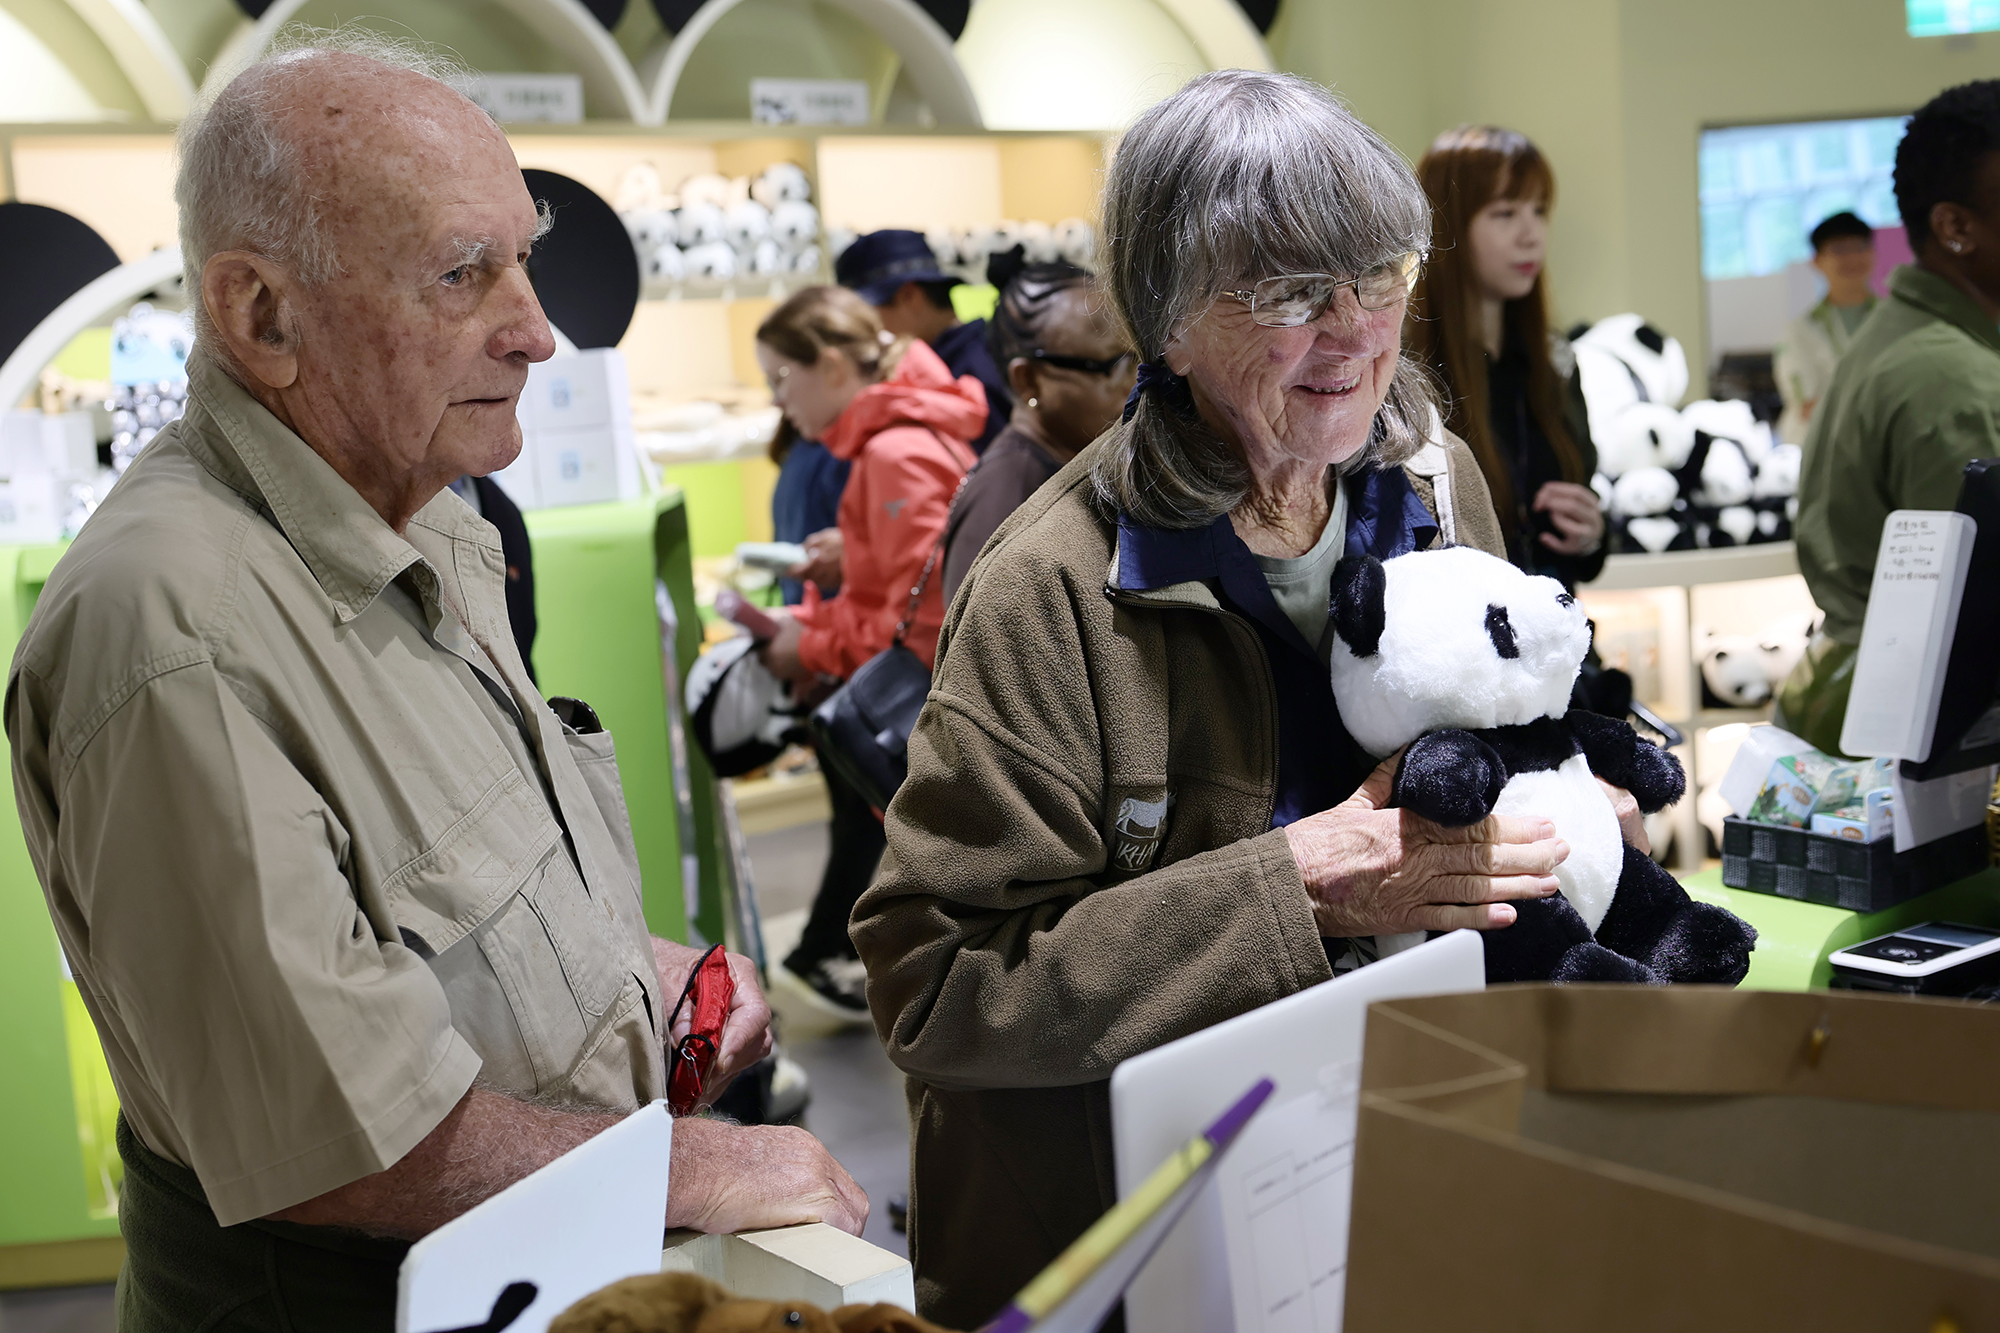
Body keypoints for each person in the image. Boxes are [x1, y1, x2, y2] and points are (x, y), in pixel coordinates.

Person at [5, 39, 864, 1331]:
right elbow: (337, 1141)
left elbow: (437, 906)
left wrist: (638, 977)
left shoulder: (417, 518)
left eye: (523, 257)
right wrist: (703, 1167)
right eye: (463, 274)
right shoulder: (174, 632)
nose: (537, 330)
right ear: (261, 315)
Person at [851, 71, 1655, 1329]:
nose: (1353, 331)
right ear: (1165, 317)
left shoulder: (1432, 484)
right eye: (1285, 290)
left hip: (1405, 1179)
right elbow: (938, 983)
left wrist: (1570, 804)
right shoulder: (1052, 585)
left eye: (1379, 274)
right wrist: (1294, 888)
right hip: (1147, 1254)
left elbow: (1503, 738)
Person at [751, 288, 983, 1014]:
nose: (778, 400)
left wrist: (812, 642)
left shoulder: (893, 451)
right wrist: (849, 559)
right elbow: (911, 576)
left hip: (921, 708)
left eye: (780, 378)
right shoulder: (899, 437)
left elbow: (924, 621)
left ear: (829, 365)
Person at [1783, 79, 2000, 755]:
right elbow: (1979, 613)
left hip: (1869, 694)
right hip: (1919, 720)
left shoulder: (1906, 334)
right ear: (1955, 227)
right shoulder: (1951, 376)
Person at [1407, 125, 1606, 588]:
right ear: (1448, 223)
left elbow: (1584, 508)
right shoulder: (1404, 372)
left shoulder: (1554, 363)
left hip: (1556, 622)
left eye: (1539, 211)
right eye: (1505, 213)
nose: (1531, 235)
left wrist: (1593, 536)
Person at [940, 249, 1135, 601]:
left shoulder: (1072, 463)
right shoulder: (1007, 493)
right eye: (1112, 366)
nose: (1134, 383)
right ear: (1028, 380)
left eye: (1137, 359)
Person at [837, 230, 1009, 452]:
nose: (864, 331)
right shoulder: (967, 356)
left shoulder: (974, 370)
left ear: (910, 296)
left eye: (867, 316)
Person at [1775, 211, 1880, 447]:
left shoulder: (1895, 319)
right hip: (1821, 447)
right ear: (1817, 261)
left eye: (1860, 247)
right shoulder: (1799, 331)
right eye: (1840, 250)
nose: (1852, 258)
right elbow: (1808, 406)